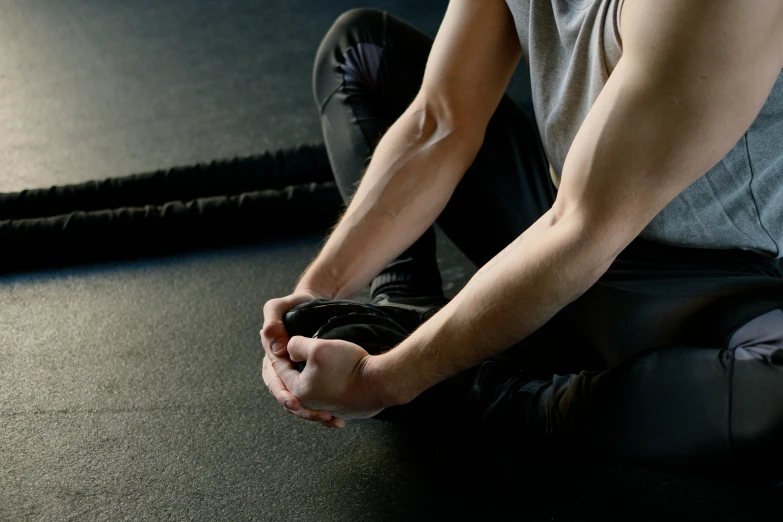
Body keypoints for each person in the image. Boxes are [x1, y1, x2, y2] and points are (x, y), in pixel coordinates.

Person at [261, 0, 783, 479]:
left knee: (774, 388)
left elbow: (586, 227)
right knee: (363, 50)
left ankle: (478, 393)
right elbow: (439, 123)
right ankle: (406, 309)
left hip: (713, 282)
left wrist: (386, 380)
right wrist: (317, 292)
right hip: (557, 226)